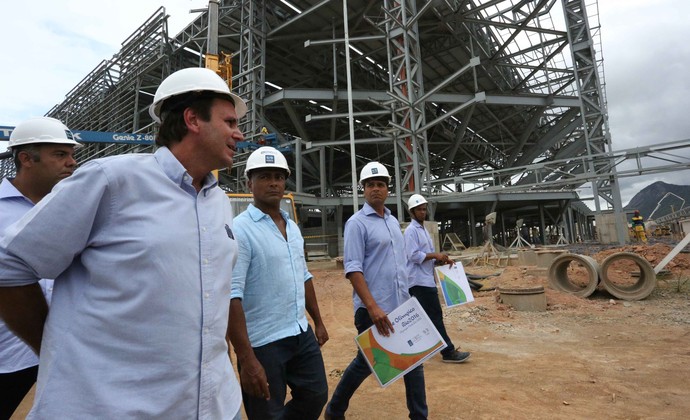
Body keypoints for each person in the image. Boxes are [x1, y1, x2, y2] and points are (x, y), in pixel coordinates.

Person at [0, 67, 247, 418]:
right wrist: (56, 349)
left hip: (213, 403)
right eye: (230, 122)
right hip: (118, 406)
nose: (239, 134)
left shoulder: (218, 202)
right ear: (192, 119)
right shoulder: (112, 180)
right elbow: (12, 265)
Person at [228, 146, 329, 420]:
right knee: (266, 412)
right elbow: (231, 296)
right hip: (263, 342)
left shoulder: (292, 226)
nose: (273, 182)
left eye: (279, 176)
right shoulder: (240, 229)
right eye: (264, 176)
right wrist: (246, 358)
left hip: (299, 332)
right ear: (249, 182)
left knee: (316, 394)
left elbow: (303, 274)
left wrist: (317, 320)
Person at [325, 162, 428, 420]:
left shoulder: (393, 222)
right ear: (363, 190)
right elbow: (353, 268)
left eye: (380, 184)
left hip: (401, 305)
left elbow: (399, 264)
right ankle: (334, 410)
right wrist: (372, 306)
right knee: (367, 363)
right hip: (373, 309)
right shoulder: (356, 224)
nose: (375, 189)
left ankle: (419, 415)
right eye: (370, 185)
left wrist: (409, 298)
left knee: (414, 361)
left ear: (387, 189)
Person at [0, 117, 78, 419]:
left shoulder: (71, 208)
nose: (71, 163)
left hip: (57, 356)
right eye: (60, 155)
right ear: (25, 159)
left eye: (72, 154)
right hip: (9, 358)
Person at [404, 194, 471, 364]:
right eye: (419, 210)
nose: (422, 212)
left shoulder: (424, 230)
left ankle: (410, 349)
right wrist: (435, 254)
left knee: (424, 317)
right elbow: (413, 255)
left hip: (426, 279)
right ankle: (447, 351)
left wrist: (440, 259)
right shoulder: (411, 231)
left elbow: (426, 256)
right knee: (434, 316)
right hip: (418, 281)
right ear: (412, 212)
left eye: (424, 209)